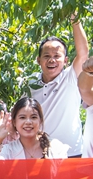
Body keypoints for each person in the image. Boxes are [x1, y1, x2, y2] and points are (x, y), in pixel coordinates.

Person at [28, 19, 89, 157]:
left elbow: (83, 53)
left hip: (71, 153)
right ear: (38, 60)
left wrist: (74, 17)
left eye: (57, 56)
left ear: (66, 61)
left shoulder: (70, 77)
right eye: (47, 56)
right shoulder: (31, 81)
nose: (52, 60)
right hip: (40, 153)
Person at [0, 97, 70, 159]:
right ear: (14, 122)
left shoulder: (56, 148)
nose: (28, 122)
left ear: (40, 121)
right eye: (22, 117)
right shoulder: (8, 151)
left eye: (33, 117)